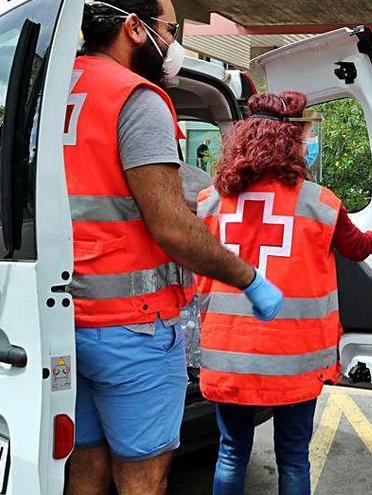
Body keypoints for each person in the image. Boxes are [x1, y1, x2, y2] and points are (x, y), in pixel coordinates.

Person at [65, 1, 283, 494]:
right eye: (169, 27)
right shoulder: (135, 97)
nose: (173, 39)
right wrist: (249, 278)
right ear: (134, 28)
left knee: (85, 462)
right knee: (143, 473)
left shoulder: (54, 91)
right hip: (131, 329)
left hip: (60, 322)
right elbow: (172, 228)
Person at [195, 91, 372, 495]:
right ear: (289, 140)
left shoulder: (208, 203)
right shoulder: (319, 204)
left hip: (228, 352)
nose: (310, 140)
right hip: (294, 357)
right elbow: (361, 247)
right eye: (306, 133)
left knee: (230, 452)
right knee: (293, 457)